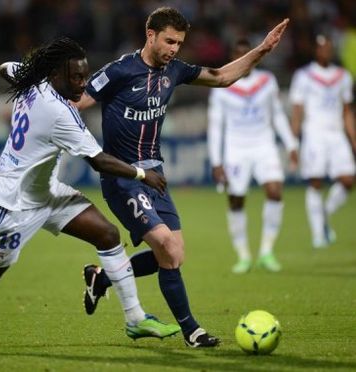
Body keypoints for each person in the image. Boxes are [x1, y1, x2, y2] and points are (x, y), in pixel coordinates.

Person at [0, 37, 181, 342]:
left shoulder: (36, 82)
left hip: (46, 193)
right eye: (75, 77)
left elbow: (5, 68)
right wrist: (143, 174)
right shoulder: (59, 113)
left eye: (84, 75)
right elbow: (99, 161)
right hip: (11, 203)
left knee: (107, 235)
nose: (83, 84)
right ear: (55, 75)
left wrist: (30, 71)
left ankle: (135, 318)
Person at [75, 7, 289, 348]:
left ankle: (101, 280)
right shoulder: (119, 71)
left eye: (179, 43)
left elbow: (221, 76)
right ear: (151, 35)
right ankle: (192, 330)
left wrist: (261, 50)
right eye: (169, 41)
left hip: (156, 175)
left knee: (172, 257)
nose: (175, 49)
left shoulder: (174, 71)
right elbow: (77, 102)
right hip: (124, 175)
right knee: (167, 244)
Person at [207, 39, 299, 274]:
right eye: (238, 55)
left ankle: (267, 251)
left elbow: (277, 115)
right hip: (236, 150)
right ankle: (244, 256)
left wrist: (290, 143)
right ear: (233, 59)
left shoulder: (267, 82)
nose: (243, 60)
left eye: (246, 55)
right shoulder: (222, 86)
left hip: (264, 146)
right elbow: (216, 127)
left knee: (275, 192)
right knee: (236, 200)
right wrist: (216, 161)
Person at [289, 35, 356, 249]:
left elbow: (347, 111)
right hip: (314, 134)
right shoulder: (304, 76)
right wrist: (294, 142)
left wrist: (353, 138)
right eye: (322, 49)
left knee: (348, 180)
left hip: (336, 135)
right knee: (316, 182)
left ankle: (324, 214)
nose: (325, 52)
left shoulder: (343, 76)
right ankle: (318, 234)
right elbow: (297, 111)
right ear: (315, 51)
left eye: (328, 48)